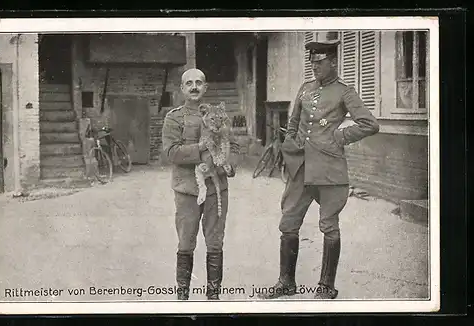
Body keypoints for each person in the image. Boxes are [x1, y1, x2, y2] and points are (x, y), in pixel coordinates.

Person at [260, 35, 380, 300]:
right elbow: (293, 122)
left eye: (321, 62)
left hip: (328, 168)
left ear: (333, 62)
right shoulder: (305, 88)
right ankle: (286, 282)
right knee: (288, 223)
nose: (315, 67)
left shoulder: (344, 91)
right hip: (301, 168)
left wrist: (340, 136)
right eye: (312, 62)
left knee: (329, 225)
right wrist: (290, 145)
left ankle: (326, 286)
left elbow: (370, 124)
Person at [161, 68, 239, 301]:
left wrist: (230, 165)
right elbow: (171, 152)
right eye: (189, 83)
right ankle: (182, 298)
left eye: (199, 83)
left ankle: (212, 299)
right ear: (182, 88)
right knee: (186, 242)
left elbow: (233, 146)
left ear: (205, 88)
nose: (194, 87)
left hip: (217, 188)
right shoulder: (174, 117)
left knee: (215, 241)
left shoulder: (218, 115)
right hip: (187, 190)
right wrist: (202, 149)